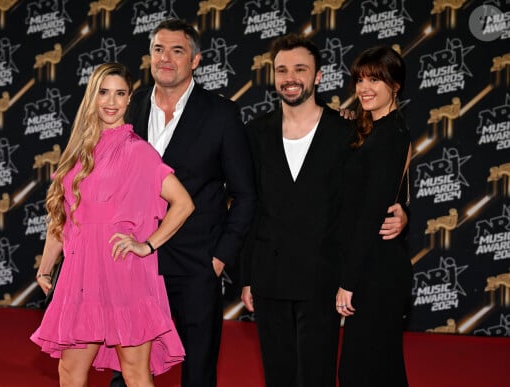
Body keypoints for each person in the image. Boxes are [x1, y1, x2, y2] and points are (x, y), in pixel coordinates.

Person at [240, 34, 409, 387]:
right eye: (282, 69)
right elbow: (247, 204)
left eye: (300, 69)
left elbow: (374, 190)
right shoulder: (254, 133)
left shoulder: (348, 130)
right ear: (272, 76)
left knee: (319, 377)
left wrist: (402, 211)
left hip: (322, 277)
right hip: (269, 277)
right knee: (278, 376)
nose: (290, 77)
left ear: (318, 76)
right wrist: (246, 276)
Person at [110, 19, 256, 387]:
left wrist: (220, 257)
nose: (166, 58)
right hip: (131, 262)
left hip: (195, 263)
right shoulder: (131, 107)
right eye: (159, 49)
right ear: (149, 57)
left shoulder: (222, 114)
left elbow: (245, 194)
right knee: (125, 367)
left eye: (177, 50)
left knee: (197, 370)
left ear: (195, 60)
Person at [30, 62, 195, 387]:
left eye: (120, 93)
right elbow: (63, 218)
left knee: (134, 373)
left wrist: (147, 245)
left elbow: (184, 204)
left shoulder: (139, 152)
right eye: (104, 92)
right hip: (80, 278)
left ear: (129, 99)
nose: (111, 101)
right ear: (92, 96)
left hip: (124, 276)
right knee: (69, 371)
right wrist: (46, 266)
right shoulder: (77, 153)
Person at [335, 45, 412, 387]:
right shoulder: (374, 130)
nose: (364, 87)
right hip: (375, 264)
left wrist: (348, 282)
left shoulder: (391, 136)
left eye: (375, 80)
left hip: (376, 271)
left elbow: (371, 212)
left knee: (362, 371)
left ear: (395, 85)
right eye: (359, 79)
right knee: (380, 369)